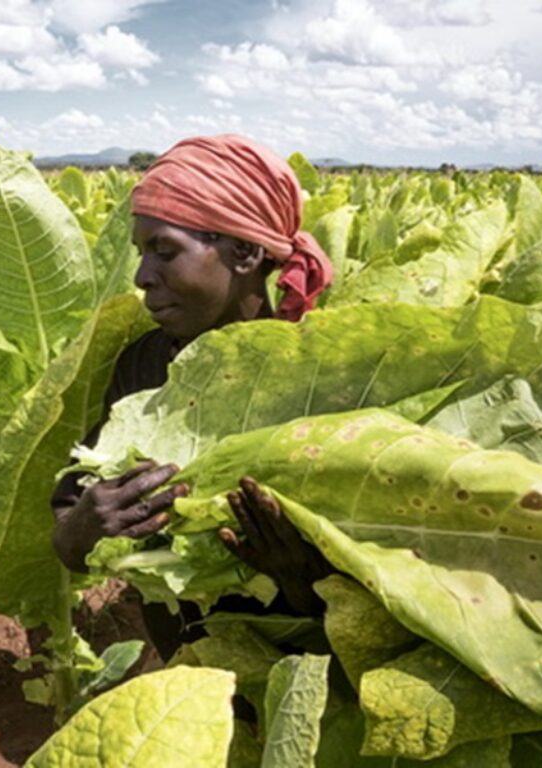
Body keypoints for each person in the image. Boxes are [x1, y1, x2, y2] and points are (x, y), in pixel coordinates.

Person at [51, 134, 335, 660]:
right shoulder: (142, 364)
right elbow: (71, 531)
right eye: (140, 253)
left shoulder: (321, 379)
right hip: (184, 665)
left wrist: (303, 577)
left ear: (245, 252)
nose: (141, 277)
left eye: (164, 251)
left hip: (299, 679)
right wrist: (85, 526)